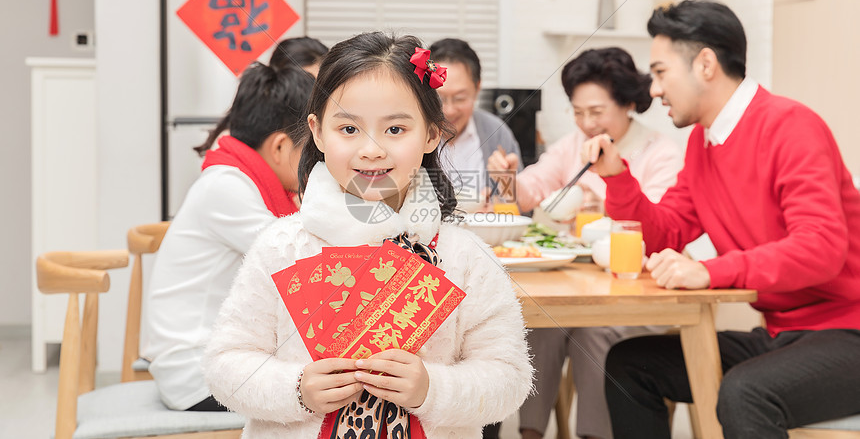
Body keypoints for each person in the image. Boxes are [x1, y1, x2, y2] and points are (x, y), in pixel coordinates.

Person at [203, 32, 533, 438]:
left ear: (431, 134)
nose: (372, 149)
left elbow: (509, 377)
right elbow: (225, 364)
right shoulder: (283, 246)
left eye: (395, 129)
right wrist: (297, 389)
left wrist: (433, 388)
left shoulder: (464, 256)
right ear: (318, 133)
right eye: (348, 129)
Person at [580, 0, 860, 438]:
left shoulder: (791, 126)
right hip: (782, 335)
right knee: (630, 365)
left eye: (660, 72)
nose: (652, 90)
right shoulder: (703, 144)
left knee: (744, 392)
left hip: (848, 333)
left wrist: (709, 271)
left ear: (705, 64)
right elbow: (664, 232)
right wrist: (617, 178)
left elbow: (821, 247)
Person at [488, 48, 683, 439]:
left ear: (628, 102)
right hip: (583, 281)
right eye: (578, 112)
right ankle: (530, 432)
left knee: (594, 333)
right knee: (540, 323)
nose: (587, 123)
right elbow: (529, 190)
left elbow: (663, 228)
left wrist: (609, 204)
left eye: (596, 111)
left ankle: (592, 434)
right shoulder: (574, 144)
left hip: (638, 289)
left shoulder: (660, 152)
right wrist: (506, 178)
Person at [143, 62, 313, 411]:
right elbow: (301, 262)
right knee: (330, 392)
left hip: (206, 361)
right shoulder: (226, 188)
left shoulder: (235, 179)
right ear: (280, 148)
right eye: (311, 150)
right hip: (198, 373)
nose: (316, 163)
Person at [429, 38, 522, 207]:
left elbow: (521, 210)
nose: (449, 110)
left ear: (477, 89)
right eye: (439, 99)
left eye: (460, 98)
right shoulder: (413, 134)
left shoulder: (496, 133)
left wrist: (501, 201)